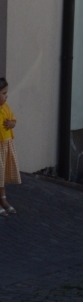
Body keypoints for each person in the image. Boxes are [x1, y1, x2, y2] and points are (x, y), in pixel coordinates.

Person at [0, 77, 20, 216]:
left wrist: (12, 123)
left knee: (1, 176)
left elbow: (13, 120)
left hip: (6, 146)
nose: (6, 96)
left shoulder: (6, 107)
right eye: (3, 93)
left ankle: (3, 200)